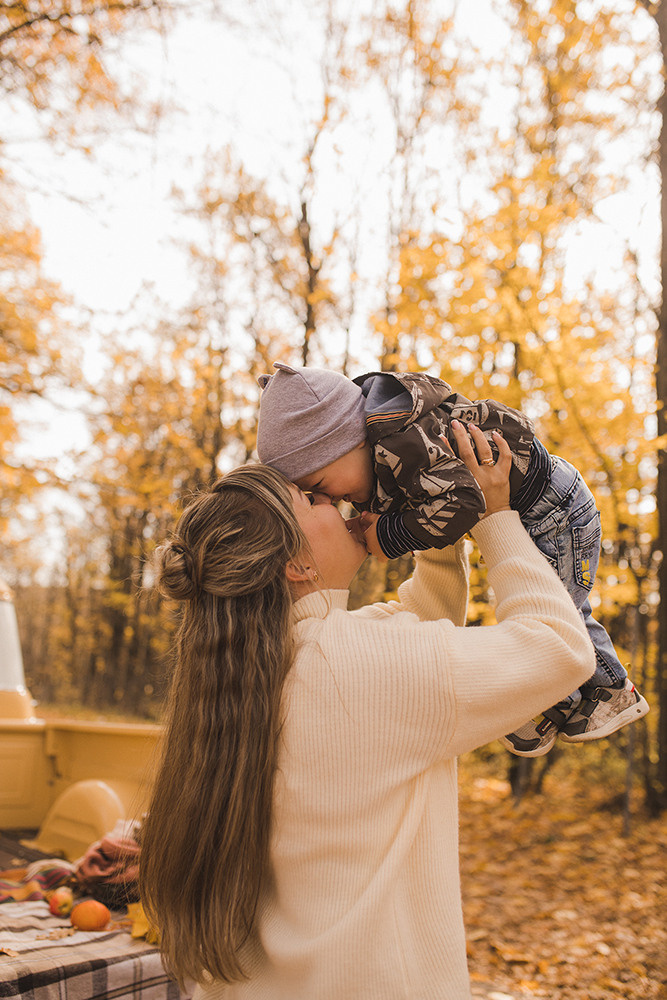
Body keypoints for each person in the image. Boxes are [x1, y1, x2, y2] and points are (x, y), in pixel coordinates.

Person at [139, 424, 596, 1000]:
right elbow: (559, 646)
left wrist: (438, 531)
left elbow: (418, 624)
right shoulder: (357, 665)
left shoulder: (249, 672)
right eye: (312, 500)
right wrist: (493, 515)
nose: (338, 499)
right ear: (295, 565)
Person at [256, 362, 649, 757]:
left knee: (561, 609)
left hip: (554, 512)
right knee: (545, 603)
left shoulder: (402, 444)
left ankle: (611, 691)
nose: (333, 501)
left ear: (352, 441)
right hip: (540, 511)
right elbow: (432, 590)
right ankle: (556, 699)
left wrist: (392, 533)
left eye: (320, 488)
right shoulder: (387, 449)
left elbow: (463, 502)